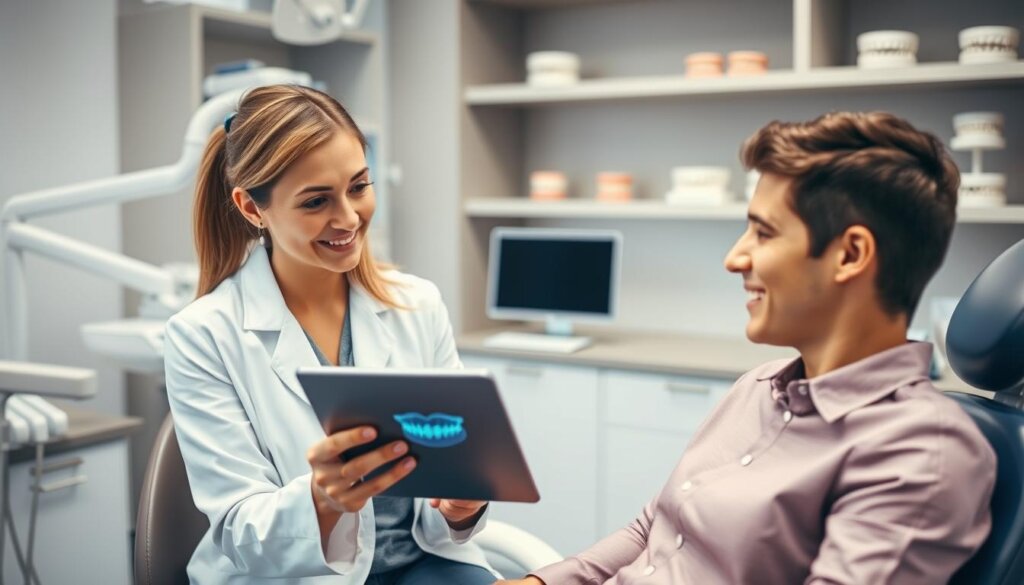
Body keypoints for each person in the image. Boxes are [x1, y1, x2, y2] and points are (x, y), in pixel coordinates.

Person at [499, 111, 997, 585]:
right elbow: (654, 527)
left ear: (850, 255)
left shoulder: (921, 454)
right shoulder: (755, 389)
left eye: (763, 232)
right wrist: (541, 579)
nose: (734, 257)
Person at [163, 85, 498, 585]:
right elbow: (239, 531)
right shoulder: (202, 335)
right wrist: (322, 499)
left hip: (421, 564)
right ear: (252, 208)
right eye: (317, 200)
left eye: (359, 186)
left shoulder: (417, 304)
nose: (348, 218)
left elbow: (446, 487)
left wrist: (460, 507)